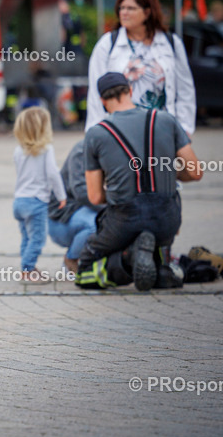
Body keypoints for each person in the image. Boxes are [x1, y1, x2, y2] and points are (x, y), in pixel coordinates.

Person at [76, 73, 202, 291]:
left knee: (84, 270)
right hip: (167, 220)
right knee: (161, 227)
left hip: (124, 221)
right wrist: (168, 173)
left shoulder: (96, 134)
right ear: (130, 91)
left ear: (102, 101)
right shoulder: (166, 120)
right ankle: (160, 266)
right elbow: (195, 172)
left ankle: (128, 259)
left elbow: (95, 196)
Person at [85, 0, 196, 136]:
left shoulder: (171, 43)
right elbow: (95, 91)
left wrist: (185, 128)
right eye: (121, 8)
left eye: (131, 8)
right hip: (121, 130)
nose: (124, 13)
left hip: (162, 128)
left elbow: (185, 89)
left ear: (147, 12)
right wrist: (95, 131)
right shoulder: (108, 43)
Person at [12, 107, 66, 281]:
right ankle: (27, 270)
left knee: (26, 237)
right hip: (36, 202)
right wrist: (61, 196)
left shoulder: (18, 150)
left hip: (19, 201)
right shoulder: (46, 150)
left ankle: (28, 267)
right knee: (38, 239)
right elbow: (53, 174)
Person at [47, 140, 100, 274]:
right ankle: (71, 259)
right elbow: (81, 192)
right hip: (63, 217)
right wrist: (110, 207)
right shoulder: (82, 151)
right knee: (94, 225)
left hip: (84, 210)